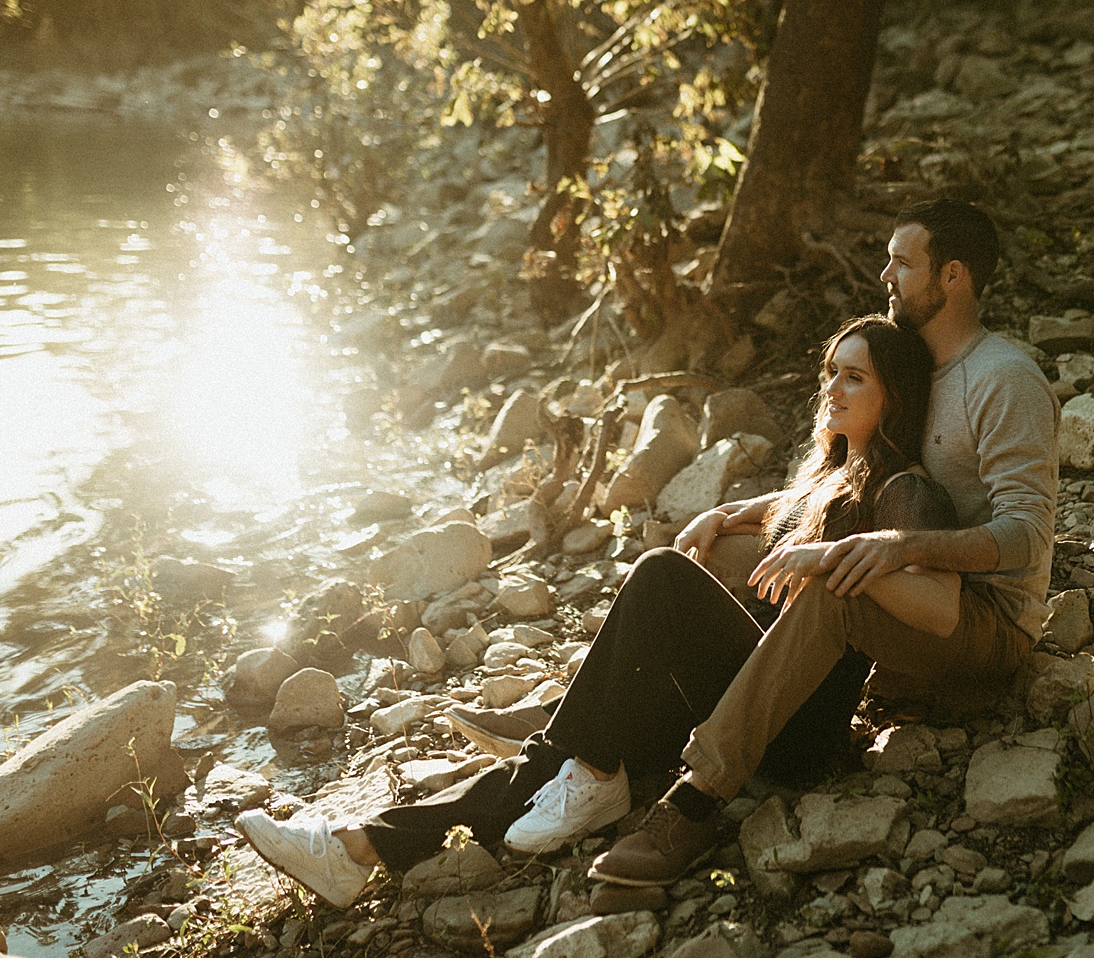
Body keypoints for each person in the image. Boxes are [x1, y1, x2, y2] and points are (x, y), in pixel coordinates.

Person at [233, 313, 967, 907]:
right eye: (831, 371)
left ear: (893, 395)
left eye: (855, 376)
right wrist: (735, 513)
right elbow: (809, 511)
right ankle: (357, 848)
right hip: (735, 697)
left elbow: (941, 611)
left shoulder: (906, 492)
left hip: (793, 727)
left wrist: (829, 560)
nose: (833, 387)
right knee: (566, 750)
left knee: (657, 576)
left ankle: (588, 769)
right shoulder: (831, 476)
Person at [585, 198, 1057, 887]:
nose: (885, 274)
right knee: (717, 558)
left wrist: (893, 547)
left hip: (979, 617)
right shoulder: (917, 362)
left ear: (953, 275)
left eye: (903, 262)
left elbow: (1026, 534)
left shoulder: (1003, 378)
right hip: (901, 575)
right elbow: (871, 473)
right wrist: (751, 508)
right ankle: (621, 715)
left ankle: (697, 795)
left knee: (832, 590)